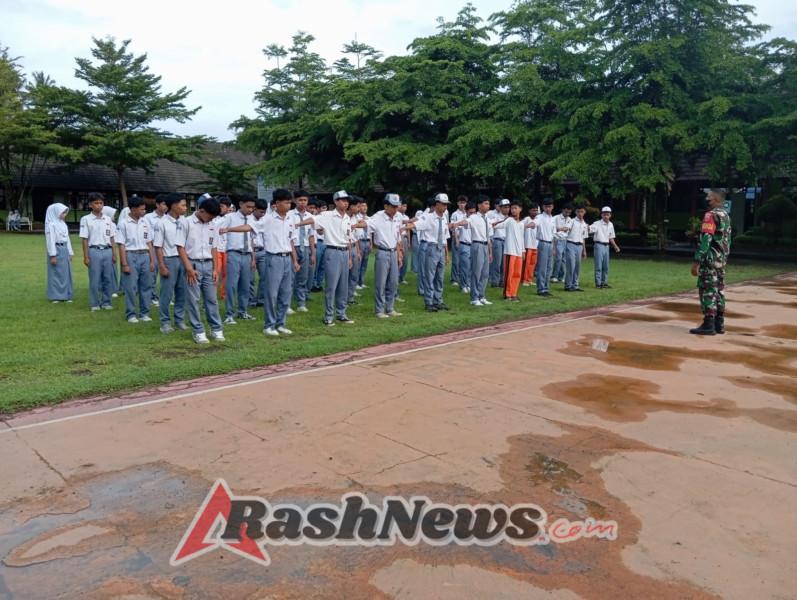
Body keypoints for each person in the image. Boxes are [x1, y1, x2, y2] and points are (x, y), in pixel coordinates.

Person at [296, 190, 364, 326]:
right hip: (332, 251)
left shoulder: (347, 218)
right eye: (342, 200)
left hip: (345, 251)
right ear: (335, 201)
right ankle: (328, 315)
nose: (345, 203)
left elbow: (348, 238)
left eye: (347, 200)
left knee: (343, 286)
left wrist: (350, 257)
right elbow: (313, 220)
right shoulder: (327, 215)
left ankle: (341, 313)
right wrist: (298, 224)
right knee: (331, 286)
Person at [177, 197, 226, 344]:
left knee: (212, 299)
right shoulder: (186, 223)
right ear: (202, 211)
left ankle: (216, 329)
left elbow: (214, 247)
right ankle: (198, 331)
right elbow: (180, 247)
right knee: (194, 300)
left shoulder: (213, 224)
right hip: (192, 264)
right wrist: (188, 268)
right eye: (210, 216)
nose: (211, 219)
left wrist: (216, 269)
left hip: (209, 264)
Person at [258, 189, 300, 336]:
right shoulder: (268, 219)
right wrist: (229, 230)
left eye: (290, 203)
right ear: (277, 203)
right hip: (273, 257)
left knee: (286, 292)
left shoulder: (290, 219)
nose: (289, 205)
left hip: (287, 258)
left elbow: (291, 241)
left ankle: (280, 323)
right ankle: (269, 325)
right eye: (286, 203)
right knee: (271, 293)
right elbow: (251, 227)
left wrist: (295, 260)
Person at [690, 188, 731, 335]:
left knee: (708, 290)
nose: (706, 198)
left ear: (716, 200)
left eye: (709, 196)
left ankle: (709, 324)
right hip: (721, 260)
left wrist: (697, 261)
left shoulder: (710, 215)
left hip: (710, 260)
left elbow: (706, 240)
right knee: (719, 290)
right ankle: (719, 323)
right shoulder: (726, 216)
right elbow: (727, 241)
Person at [405, 193, 451, 312]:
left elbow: (445, 237)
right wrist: (404, 228)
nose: (445, 207)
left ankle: (438, 300)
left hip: (441, 248)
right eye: (443, 204)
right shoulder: (428, 217)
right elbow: (416, 224)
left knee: (439, 276)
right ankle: (428, 301)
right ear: (437, 204)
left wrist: (446, 254)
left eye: (446, 205)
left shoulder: (444, 219)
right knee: (430, 276)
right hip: (431, 247)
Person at [116, 196, 155, 323]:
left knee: (146, 286)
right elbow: (121, 245)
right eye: (142, 209)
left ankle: (144, 313)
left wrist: (152, 260)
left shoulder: (145, 222)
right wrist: (124, 264)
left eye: (144, 209)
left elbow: (149, 242)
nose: (144, 211)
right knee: (131, 287)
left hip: (145, 255)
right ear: (133, 210)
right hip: (131, 255)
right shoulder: (123, 224)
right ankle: (131, 314)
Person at [153, 193, 189, 333]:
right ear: (174, 206)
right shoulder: (162, 223)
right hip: (170, 259)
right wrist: (162, 266)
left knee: (182, 292)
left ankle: (179, 320)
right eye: (183, 205)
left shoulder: (185, 222)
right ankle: (165, 322)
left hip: (183, 259)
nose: (185, 208)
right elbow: (158, 246)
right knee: (167, 293)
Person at [368, 194, 404, 318]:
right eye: (393, 206)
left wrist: (399, 254)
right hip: (383, 251)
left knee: (393, 282)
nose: (395, 209)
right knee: (381, 282)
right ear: (386, 206)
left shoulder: (398, 217)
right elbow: (366, 224)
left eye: (397, 206)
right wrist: (355, 225)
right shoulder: (378, 217)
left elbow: (397, 236)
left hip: (394, 251)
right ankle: (379, 310)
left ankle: (390, 308)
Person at [79, 192, 117, 311]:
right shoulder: (86, 219)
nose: (99, 205)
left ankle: (106, 302)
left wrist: (114, 253)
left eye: (101, 203)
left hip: (107, 250)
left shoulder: (108, 219)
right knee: (95, 279)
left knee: (108, 278)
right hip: (94, 250)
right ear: (90, 204)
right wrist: (86, 256)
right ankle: (95, 303)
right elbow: (85, 239)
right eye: (96, 203)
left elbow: (112, 237)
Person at [222, 195, 256, 324]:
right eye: (248, 206)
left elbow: (251, 239)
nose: (250, 210)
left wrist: (253, 258)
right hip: (234, 253)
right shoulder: (230, 218)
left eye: (252, 207)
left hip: (247, 254)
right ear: (240, 204)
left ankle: (242, 311)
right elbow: (219, 230)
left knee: (245, 285)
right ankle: (229, 314)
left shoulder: (251, 219)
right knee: (231, 285)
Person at [492, 200, 536, 301]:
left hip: (518, 252)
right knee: (509, 274)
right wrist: (490, 224)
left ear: (520, 209)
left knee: (517, 274)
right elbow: (498, 225)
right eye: (512, 208)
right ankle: (507, 295)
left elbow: (521, 238)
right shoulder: (509, 220)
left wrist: (523, 250)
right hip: (510, 251)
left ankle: (513, 293)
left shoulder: (521, 223)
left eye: (515, 208)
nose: (513, 210)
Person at [290, 189, 316, 313]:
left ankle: (301, 303)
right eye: (300, 200)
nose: (303, 202)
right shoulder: (289, 215)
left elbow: (311, 236)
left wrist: (312, 253)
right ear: (295, 201)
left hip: (305, 247)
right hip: (293, 247)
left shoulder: (310, 217)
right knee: (290, 277)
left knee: (303, 277)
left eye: (305, 200)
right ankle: (287, 304)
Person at [45, 203, 74, 302]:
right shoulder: (51, 225)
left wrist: (70, 252)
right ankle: (56, 296)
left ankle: (67, 295)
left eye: (65, 212)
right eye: (62, 212)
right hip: (56, 248)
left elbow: (67, 239)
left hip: (64, 248)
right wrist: (53, 255)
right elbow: (51, 240)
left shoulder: (63, 224)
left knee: (66, 272)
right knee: (56, 272)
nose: (64, 214)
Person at [144, 194, 168, 306]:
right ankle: (152, 297)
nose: (166, 206)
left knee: (166, 273)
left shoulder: (168, 218)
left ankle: (166, 297)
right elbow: (146, 234)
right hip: (153, 248)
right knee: (152, 273)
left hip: (166, 249)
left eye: (167, 204)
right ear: (157, 204)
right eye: (163, 204)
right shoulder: (148, 218)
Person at [589, 206, 621, 289]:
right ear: (601, 215)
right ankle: (598, 283)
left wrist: (615, 246)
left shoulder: (611, 224)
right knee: (598, 265)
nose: (606, 216)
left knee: (605, 266)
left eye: (607, 214)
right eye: (604, 214)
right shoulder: (597, 223)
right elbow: (590, 229)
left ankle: (604, 282)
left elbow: (611, 237)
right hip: (599, 244)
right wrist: (587, 227)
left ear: (610, 215)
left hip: (606, 245)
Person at [563, 203, 588, 292]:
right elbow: (567, 227)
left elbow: (583, 238)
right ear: (575, 212)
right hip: (571, 244)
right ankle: (568, 285)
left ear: (584, 212)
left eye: (581, 211)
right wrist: (562, 228)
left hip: (579, 245)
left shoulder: (584, 224)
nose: (580, 213)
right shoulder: (572, 221)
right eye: (578, 212)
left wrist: (584, 251)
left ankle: (575, 285)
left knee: (577, 266)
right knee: (571, 265)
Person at [534, 198, 557, 297]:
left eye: (550, 207)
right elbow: (534, 223)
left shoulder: (552, 219)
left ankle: (546, 288)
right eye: (546, 207)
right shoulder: (539, 217)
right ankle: (541, 289)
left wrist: (554, 247)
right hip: (543, 242)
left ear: (552, 207)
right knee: (542, 267)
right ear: (543, 207)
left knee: (548, 267)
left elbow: (553, 234)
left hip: (550, 243)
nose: (548, 209)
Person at [453, 201, 475, 294]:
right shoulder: (462, 220)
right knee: (465, 267)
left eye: (474, 212)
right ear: (466, 211)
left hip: (473, 245)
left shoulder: (476, 220)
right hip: (464, 244)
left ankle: (468, 284)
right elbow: (454, 229)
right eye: (470, 212)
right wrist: (457, 240)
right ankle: (463, 285)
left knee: (471, 267)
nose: (472, 214)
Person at [488, 199, 510, 287]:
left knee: (504, 263)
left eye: (508, 207)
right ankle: (495, 282)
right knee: (497, 263)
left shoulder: (510, 218)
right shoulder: (496, 217)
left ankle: (502, 281)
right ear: (500, 208)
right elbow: (491, 225)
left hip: (506, 241)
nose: (507, 209)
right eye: (505, 207)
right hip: (498, 240)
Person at [552, 202, 572, 283]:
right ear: (563, 210)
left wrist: (560, 229)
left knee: (564, 259)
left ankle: (561, 276)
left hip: (565, 239)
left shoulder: (570, 219)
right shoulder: (556, 218)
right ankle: (554, 276)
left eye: (569, 212)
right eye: (566, 212)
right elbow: (553, 229)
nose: (567, 214)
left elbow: (567, 228)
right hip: (558, 239)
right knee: (558, 258)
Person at [450, 195, 468, 285]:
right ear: (458, 203)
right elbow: (453, 228)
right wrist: (456, 239)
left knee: (464, 260)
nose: (462, 205)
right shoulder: (455, 214)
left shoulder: (467, 214)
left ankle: (462, 277)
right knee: (456, 260)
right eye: (461, 203)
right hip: (456, 238)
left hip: (465, 239)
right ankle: (454, 279)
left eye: (464, 203)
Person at [311, 199, 328, 292]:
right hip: (317, 242)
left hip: (326, 242)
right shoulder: (314, 218)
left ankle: (319, 284)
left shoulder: (328, 219)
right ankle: (312, 284)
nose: (324, 210)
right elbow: (319, 231)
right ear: (317, 209)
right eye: (322, 208)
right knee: (315, 265)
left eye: (325, 208)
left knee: (323, 265)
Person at [521, 203, 540, 287]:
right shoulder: (526, 219)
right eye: (533, 210)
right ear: (529, 211)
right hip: (527, 245)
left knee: (533, 264)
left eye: (536, 210)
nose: (535, 212)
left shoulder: (538, 220)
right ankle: (523, 279)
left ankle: (529, 279)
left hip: (536, 245)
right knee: (526, 264)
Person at [356, 198, 371, 289]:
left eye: (365, 206)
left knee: (365, 263)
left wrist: (371, 244)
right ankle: (356, 283)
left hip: (367, 241)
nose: (364, 207)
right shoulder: (357, 218)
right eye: (362, 206)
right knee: (359, 262)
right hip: (360, 241)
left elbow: (370, 232)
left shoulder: (369, 219)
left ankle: (361, 281)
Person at [397, 198, 411, 285]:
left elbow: (408, 230)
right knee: (399, 257)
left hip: (405, 237)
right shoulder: (397, 216)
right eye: (403, 206)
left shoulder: (406, 217)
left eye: (406, 206)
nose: (405, 208)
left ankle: (402, 277)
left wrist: (409, 242)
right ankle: (397, 277)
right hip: (399, 238)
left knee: (405, 259)